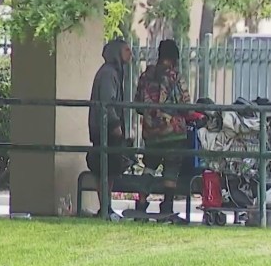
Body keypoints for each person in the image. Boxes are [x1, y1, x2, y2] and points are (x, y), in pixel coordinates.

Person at [134, 39, 202, 214]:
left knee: (149, 166)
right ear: (174, 58)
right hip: (173, 132)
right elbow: (185, 105)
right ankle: (167, 206)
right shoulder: (175, 76)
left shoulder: (145, 76)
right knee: (171, 167)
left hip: (151, 132)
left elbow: (138, 106)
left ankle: (141, 203)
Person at [86, 38, 133, 220]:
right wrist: (115, 125)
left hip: (106, 127)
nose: (130, 54)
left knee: (110, 168)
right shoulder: (108, 73)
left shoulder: (113, 72)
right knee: (104, 168)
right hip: (104, 128)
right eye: (126, 50)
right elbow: (108, 101)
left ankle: (106, 207)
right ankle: (104, 207)